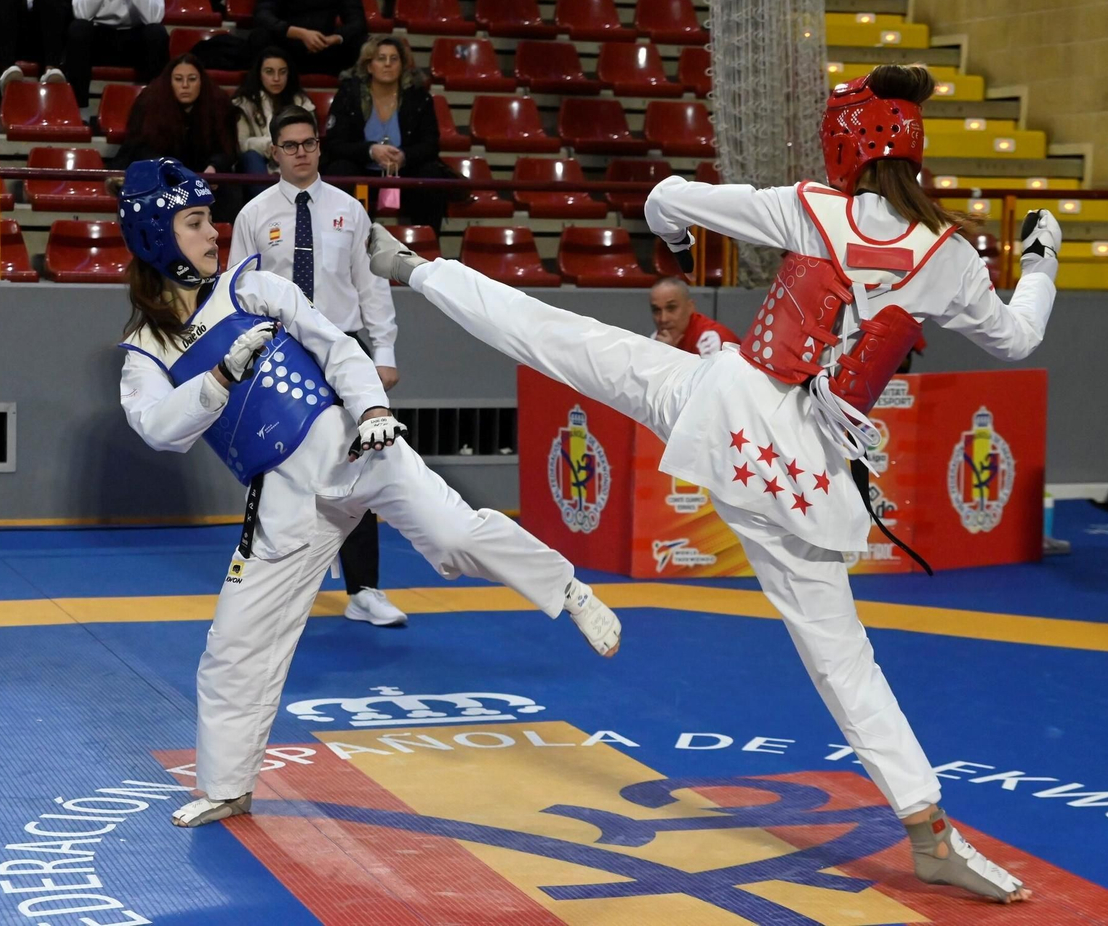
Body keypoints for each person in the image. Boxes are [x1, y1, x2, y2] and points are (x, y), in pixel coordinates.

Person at [369, 64, 1062, 904]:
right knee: (847, 664)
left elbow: (669, 195)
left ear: (845, 146)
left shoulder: (812, 207)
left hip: (720, 411)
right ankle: (929, 829)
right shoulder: (948, 256)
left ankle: (415, 270)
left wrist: (675, 236)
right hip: (802, 476)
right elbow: (1020, 335)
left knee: (566, 340)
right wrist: (1042, 257)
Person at [115, 154, 622, 826]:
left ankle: (567, 589)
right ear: (157, 236)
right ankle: (229, 785)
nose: (216, 233)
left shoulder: (252, 287)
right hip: (284, 495)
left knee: (454, 535)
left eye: (210, 219)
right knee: (237, 641)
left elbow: (337, 347)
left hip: (358, 443)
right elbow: (158, 429)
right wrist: (216, 381)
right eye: (197, 222)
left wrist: (374, 410)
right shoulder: (146, 346)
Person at [230, 104, 406, 626]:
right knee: (276, 464)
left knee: (360, 459)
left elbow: (371, 285)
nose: (301, 153)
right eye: (291, 145)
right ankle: (269, 583)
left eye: (309, 143)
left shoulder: (350, 211)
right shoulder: (254, 215)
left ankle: (365, 589)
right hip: (281, 350)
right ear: (274, 152)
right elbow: (240, 294)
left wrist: (385, 354)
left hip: (344, 346)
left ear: (319, 147)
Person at [322, 35, 452, 234]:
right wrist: (370, 151)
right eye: (381, 58)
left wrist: (404, 156)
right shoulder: (349, 95)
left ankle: (427, 243)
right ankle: (345, 242)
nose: (388, 64)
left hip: (404, 176)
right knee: (341, 169)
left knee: (431, 173)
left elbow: (431, 145)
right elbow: (335, 143)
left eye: (394, 59)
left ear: (402, 65)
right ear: (369, 66)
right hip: (363, 177)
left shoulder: (418, 97)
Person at [112, 53, 234, 172]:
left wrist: (215, 167)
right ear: (169, 82)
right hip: (157, 172)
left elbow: (227, 149)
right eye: (178, 79)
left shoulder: (218, 103)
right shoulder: (149, 102)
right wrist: (165, 167)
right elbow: (138, 147)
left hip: (206, 176)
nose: (185, 85)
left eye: (192, 79)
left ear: (201, 81)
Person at [230, 45, 315, 178]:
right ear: (259, 74)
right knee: (250, 157)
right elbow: (241, 144)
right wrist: (271, 145)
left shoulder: (301, 102)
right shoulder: (244, 103)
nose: (276, 78)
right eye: (269, 72)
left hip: (294, 158)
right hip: (258, 162)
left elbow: (312, 141)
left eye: (282, 72)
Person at [650, 276, 737, 357]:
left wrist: (670, 355)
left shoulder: (710, 339)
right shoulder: (657, 338)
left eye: (671, 308)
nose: (663, 319)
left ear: (690, 307)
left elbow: (708, 373)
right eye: (656, 310)